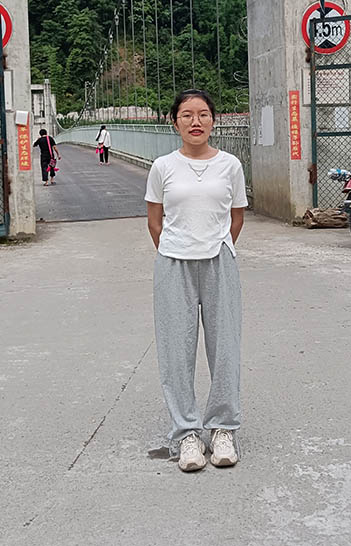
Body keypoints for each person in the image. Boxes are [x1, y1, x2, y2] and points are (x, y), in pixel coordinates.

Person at [145, 88, 247, 473]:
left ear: (213, 121)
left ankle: (222, 429)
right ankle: (186, 433)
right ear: (175, 122)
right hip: (174, 262)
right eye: (187, 115)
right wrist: (177, 247)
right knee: (176, 349)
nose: (196, 122)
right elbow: (154, 221)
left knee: (225, 347)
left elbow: (237, 216)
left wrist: (217, 245)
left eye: (203, 114)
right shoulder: (163, 167)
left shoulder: (230, 165)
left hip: (219, 260)